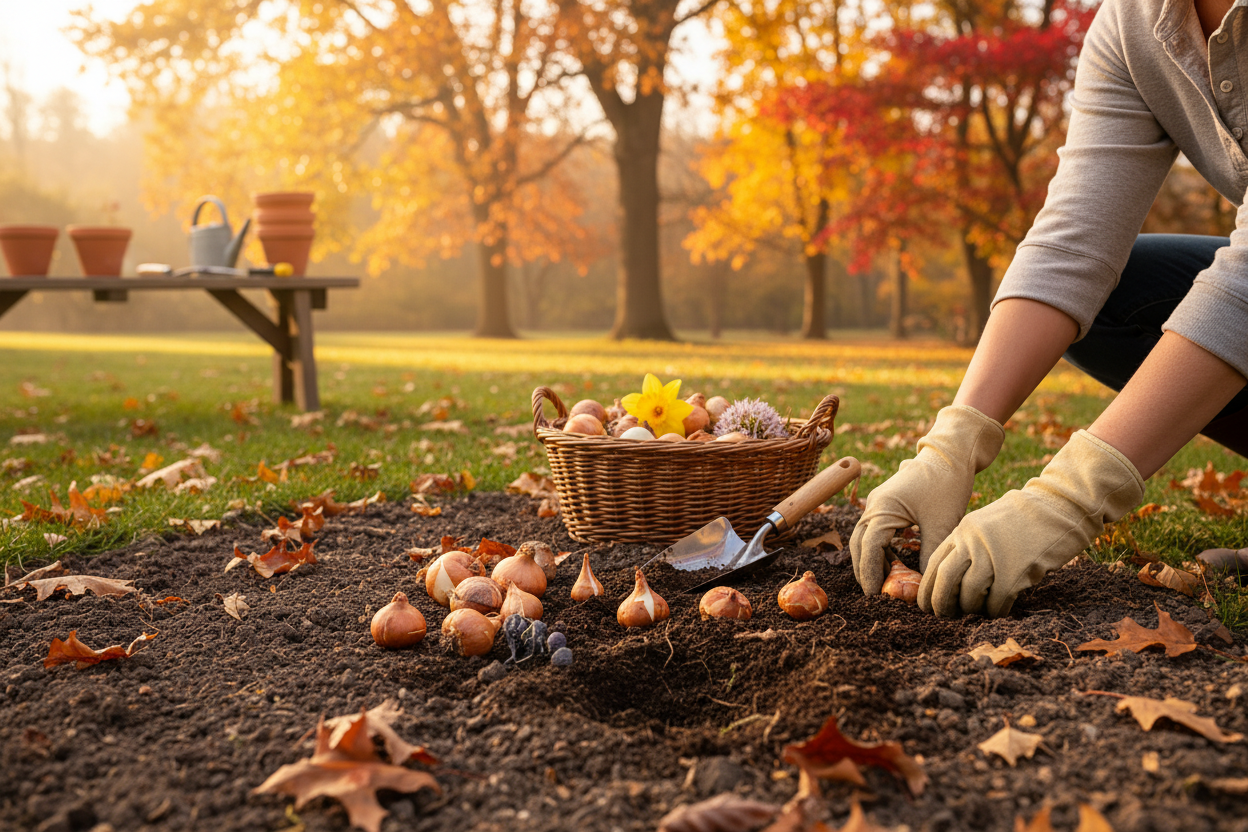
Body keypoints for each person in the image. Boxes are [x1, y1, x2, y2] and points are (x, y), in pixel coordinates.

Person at [849, 0, 1248, 618]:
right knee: (1121, 296)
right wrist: (953, 443)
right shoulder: (1135, 23)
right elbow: (1074, 242)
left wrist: (1069, 496)